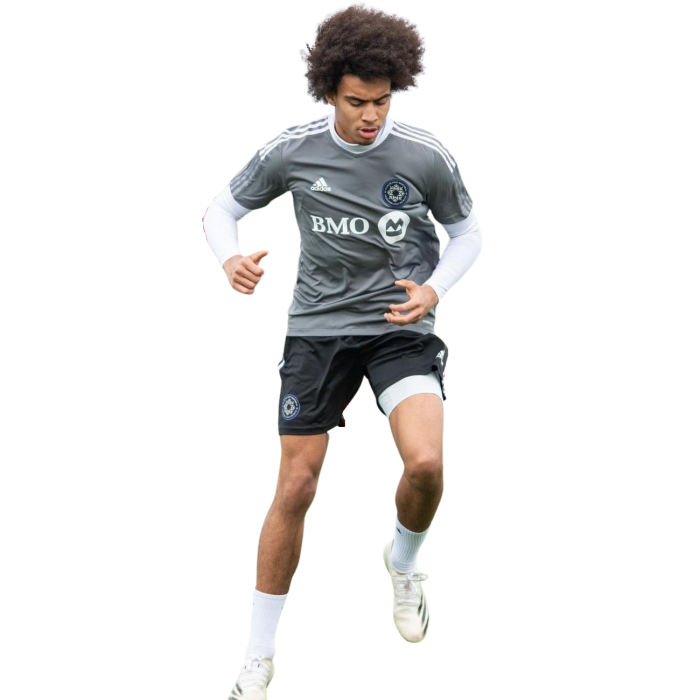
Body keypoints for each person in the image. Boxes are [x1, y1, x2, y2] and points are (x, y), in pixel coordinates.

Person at [203, 2, 482, 697]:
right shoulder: (292, 149)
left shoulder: (424, 153)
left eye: (382, 101)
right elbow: (222, 209)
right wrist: (230, 258)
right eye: (357, 102)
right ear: (329, 91)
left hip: (399, 326)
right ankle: (258, 656)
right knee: (296, 485)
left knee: (426, 464)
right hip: (317, 330)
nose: (371, 116)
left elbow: (468, 234)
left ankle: (403, 561)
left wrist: (433, 289)